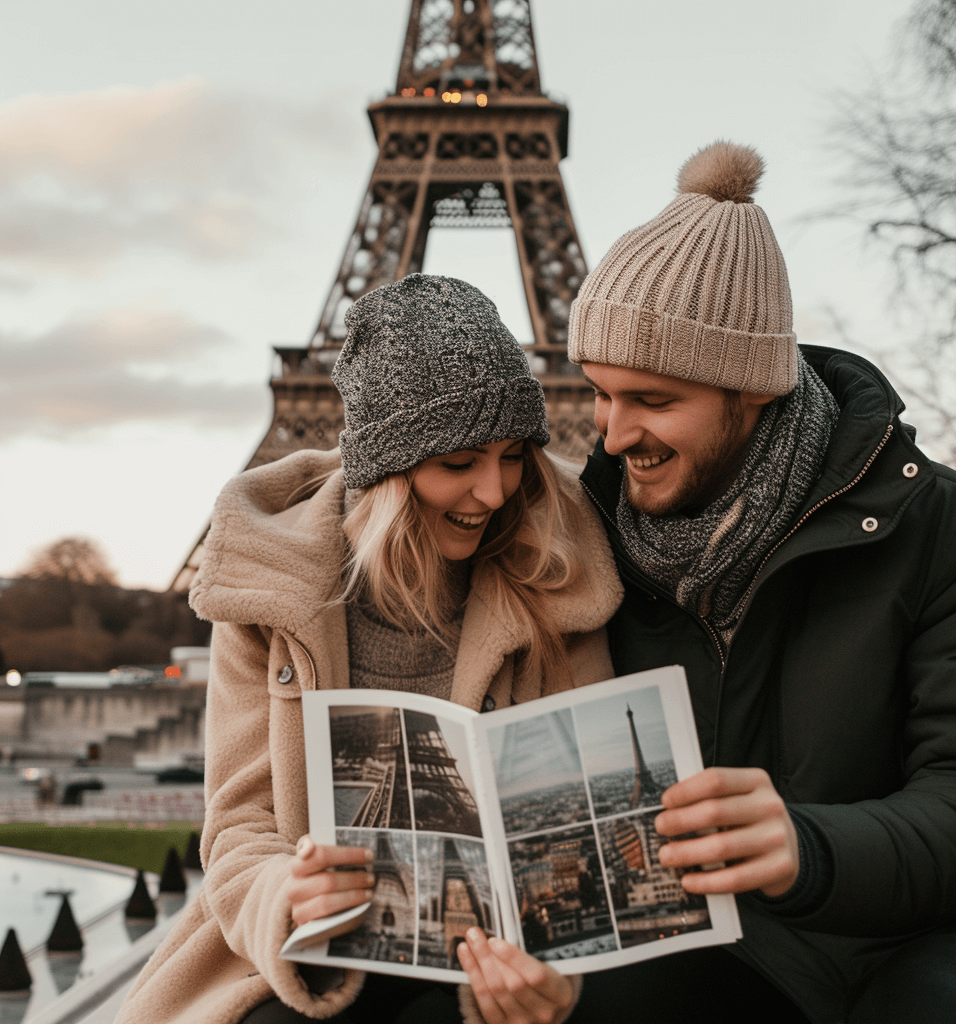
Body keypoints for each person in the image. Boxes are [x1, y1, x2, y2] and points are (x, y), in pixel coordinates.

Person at [566, 142, 956, 1023]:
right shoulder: (588, 544)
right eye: (599, 394)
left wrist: (807, 847)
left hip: (940, 935)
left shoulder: (948, 532)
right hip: (719, 939)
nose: (615, 436)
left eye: (654, 401)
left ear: (754, 393)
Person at [115, 275, 622, 1024]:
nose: (493, 491)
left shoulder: (557, 573)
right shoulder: (268, 586)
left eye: (513, 455)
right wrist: (290, 895)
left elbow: (590, 826)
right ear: (386, 468)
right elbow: (239, 825)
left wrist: (541, 964)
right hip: (319, 952)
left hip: (492, 958)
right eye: (459, 463)